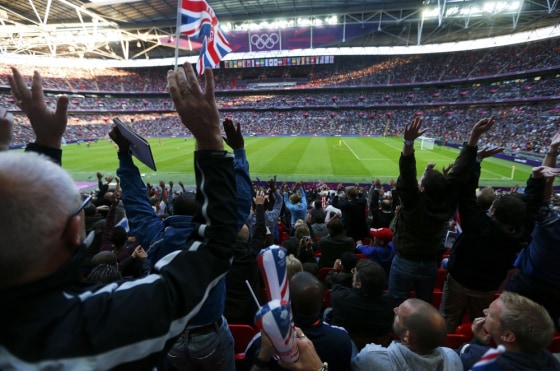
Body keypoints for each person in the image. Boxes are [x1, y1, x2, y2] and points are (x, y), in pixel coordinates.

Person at [0, 64, 238, 369]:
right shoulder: (97, 325)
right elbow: (216, 248)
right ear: (75, 231)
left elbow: (211, 245)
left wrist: (43, 148)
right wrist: (210, 136)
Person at [111, 115, 252, 371]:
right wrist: (239, 152)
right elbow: (240, 200)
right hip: (209, 334)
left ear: (171, 213)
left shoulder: (155, 234)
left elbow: (134, 201)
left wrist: (124, 155)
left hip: (170, 338)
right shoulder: (214, 235)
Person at [440, 117, 558, 333]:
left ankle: (447, 342)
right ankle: (478, 345)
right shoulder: (522, 232)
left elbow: (466, 194)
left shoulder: (478, 225)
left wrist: (475, 155)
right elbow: (531, 206)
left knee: (448, 317)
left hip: (459, 281)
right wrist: (535, 179)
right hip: (488, 286)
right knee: (483, 321)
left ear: (492, 211)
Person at [388, 116, 490, 305]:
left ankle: (397, 332)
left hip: (405, 261)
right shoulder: (448, 203)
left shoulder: (413, 204)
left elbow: (408, 174)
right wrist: (474, 138)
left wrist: (408, 143)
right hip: (429, 263)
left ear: (423, 188)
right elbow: (459, 174)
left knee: (396, 302)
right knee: (424, 302)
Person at [507, 128, 560, 330]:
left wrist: (552, 151)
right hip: (556, 293)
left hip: (528, 285)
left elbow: (542, 194)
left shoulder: (552, 225)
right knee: (543, 331)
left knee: (510, 324)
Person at [245, 272, 353, 371]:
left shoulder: (263, 341)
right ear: (323, 302)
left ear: (288, 305)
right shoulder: (342, 338)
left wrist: (263, 358)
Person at [457, 292, 560, 370]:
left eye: (491, 314)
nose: (485, 311)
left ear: (507, 336)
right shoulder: (550, 361)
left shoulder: (475, 356)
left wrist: (478, 342)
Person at [352, 298, 463, 370]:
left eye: (399, 316)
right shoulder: (453, 358)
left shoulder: (371, 356)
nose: (395, 310)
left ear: (407, 337)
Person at [327, 259, 395, 349]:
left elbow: (333, 283)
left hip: (349, 346)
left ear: (359, 284)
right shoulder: (390, 302)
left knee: (327, 311)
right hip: (379, 346)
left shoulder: (341, 298)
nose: (352, 275)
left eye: (354, 273)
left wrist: (335, 270)